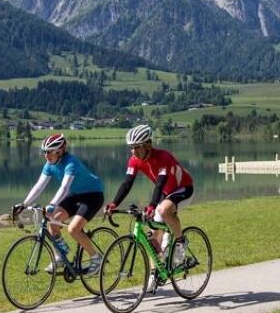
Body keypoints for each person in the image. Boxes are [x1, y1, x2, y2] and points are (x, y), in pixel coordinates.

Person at [105, 124, 194, 289]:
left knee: (163, 210)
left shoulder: (163, 157)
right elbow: (127, 183)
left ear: (148, 145)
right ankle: (156, 272)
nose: (133, 152)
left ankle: (181, 242)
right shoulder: (134, 160)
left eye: (137, 147)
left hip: (183, 189)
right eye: (131, 148)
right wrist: (113, 203)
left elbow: (159, 185)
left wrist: (152, 206)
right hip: (167, 193)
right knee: (154, 236)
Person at [13, 133, 105, 274]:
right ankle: (61, 256)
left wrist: (51, 204)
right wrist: (24, 204)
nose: (46, 155)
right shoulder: (49, 165)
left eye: (50, 152)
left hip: (93, 195)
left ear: (60, 151)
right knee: (53, 222)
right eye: (44, 152)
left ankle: (96, 258)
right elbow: (39, 186)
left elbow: (64, 187)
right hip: (75, 195)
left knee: (73, 229)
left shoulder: (70, 163)